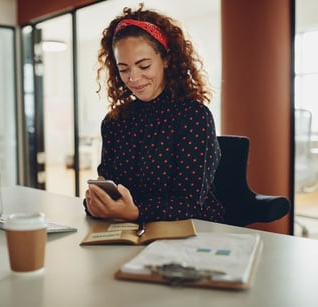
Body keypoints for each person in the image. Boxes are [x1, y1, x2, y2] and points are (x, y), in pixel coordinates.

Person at [84, 3, 225, 224]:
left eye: (144, 66)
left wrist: (135, 212)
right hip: (129, 229)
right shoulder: (114, 122)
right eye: (124, 69)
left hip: (193, 231)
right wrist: (97, 201)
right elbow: (109, 186)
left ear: (166, 59)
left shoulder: (194, 117)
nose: (133, 78)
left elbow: (189, 202)